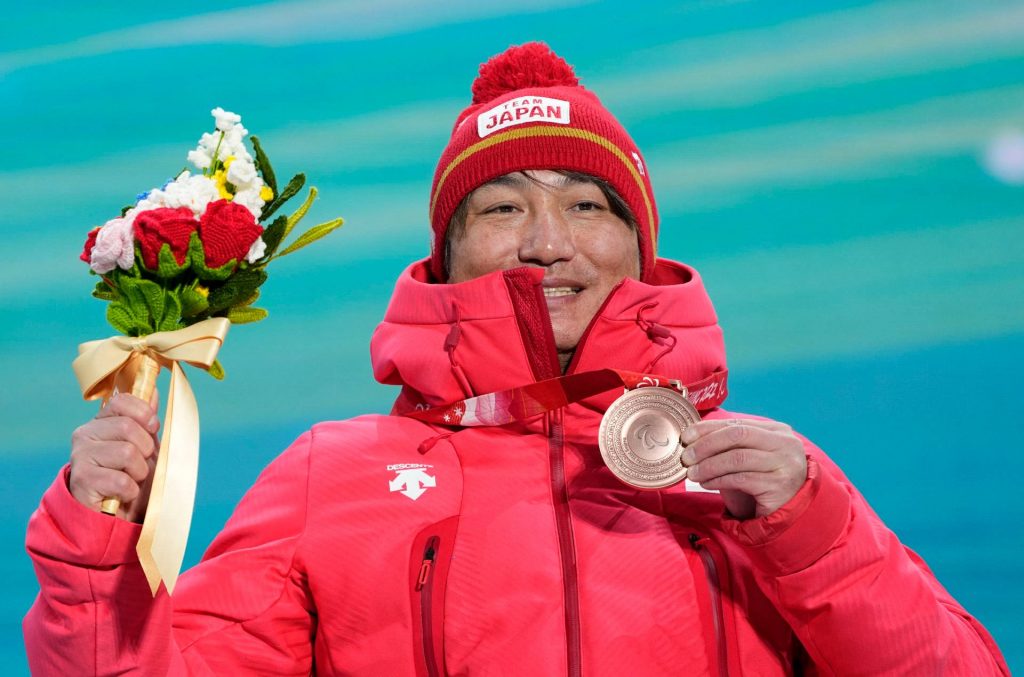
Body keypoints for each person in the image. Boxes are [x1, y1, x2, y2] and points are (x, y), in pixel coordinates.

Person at [24, 42, 1008, 676]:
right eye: (501, 208)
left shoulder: (760, 483)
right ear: (444, 258)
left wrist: (819, 536)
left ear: (639, 247)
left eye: (589, 205)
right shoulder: (332, 473)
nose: (549, 241)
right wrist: (92, 560)